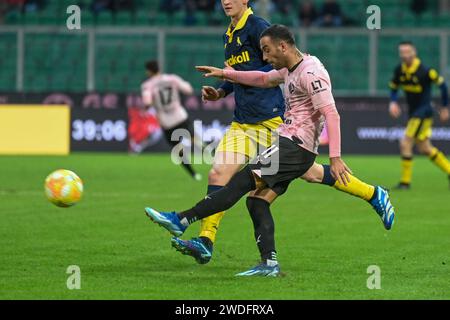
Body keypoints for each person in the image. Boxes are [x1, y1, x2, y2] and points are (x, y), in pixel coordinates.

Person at [144, 24, 396, 276]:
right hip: (287, 144)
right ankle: (270, 264)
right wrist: (225, 74)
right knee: (256, 202)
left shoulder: (311, 73)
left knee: (240, 182)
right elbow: (262, 79)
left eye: (267, 51)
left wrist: (336, 157)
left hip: (294, 147)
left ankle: (181, 220)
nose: (264, 57)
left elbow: (332, 113)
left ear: (283, 46)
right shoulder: (290, 69)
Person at [170, 0, 286, 265]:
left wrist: (234, 75)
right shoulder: (229, 34)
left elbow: (276, 68)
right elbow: (238, 75)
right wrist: (221, 90)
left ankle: (372, 193)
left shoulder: (258, 27)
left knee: (312, 173)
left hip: (271, 121)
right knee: (217, 173)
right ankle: (205, 240)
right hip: (243, 122)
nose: (226, 1)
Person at [389, 41, 450, 189]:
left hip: (423, 112)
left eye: (407, 52)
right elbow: (394, 87)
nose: (405, 55)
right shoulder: (400, 70)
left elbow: (442, 86)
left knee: (405, 143)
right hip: (414, 112)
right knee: (425, 148)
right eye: (402, 52)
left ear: (414, 52)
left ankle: (405, 182)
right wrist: (393, 102)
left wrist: (445, 107)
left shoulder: (425, 71)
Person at [141, 60, 202, 181]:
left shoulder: (147, 85)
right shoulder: (172, 78)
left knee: (178, 150)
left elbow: (147, 103)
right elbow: (188, 90)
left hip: (167, 123)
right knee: (196, 140)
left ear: (149, 71)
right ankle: (219, 161)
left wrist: (152, 104)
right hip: (180, 117)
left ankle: (194, 174)